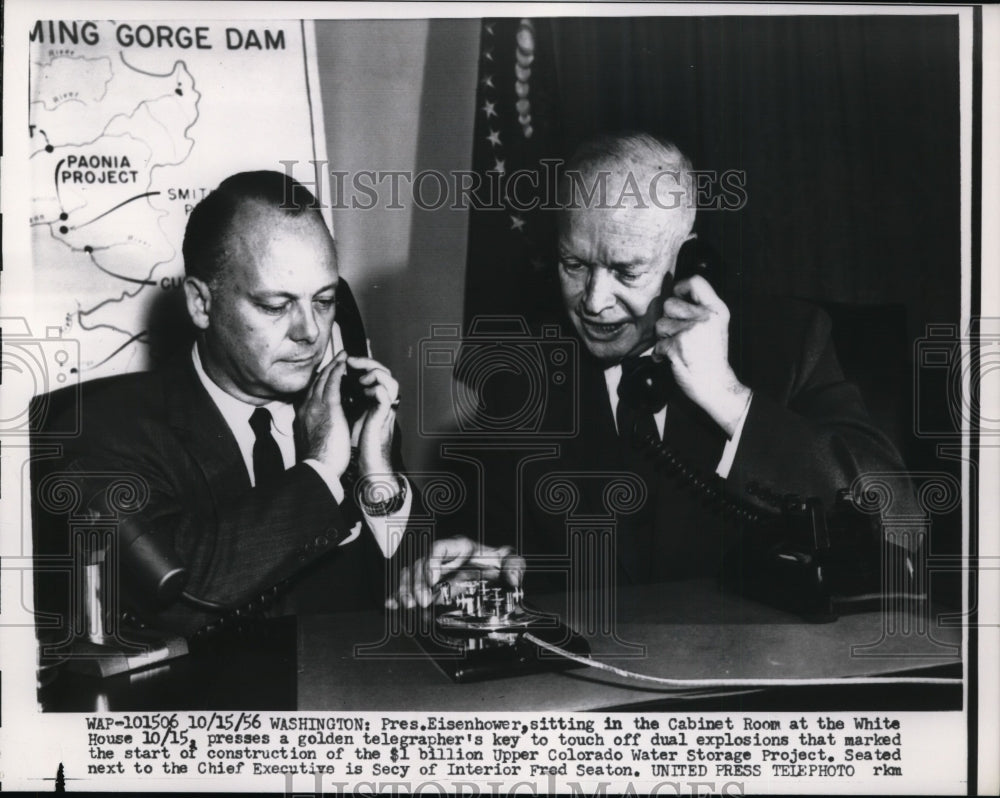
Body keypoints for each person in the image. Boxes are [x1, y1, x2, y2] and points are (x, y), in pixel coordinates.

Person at [396, 132, 909, 607]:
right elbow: (509, 562)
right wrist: (489, 570)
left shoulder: (788, 343)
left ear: (688, 260)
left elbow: (902, 518)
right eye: (574, 265)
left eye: (626, 270)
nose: (594, 302)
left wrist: (730, 400)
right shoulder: (521, 382)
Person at [35, 171, 413, 636]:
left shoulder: (349, 412)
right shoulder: (104, 428)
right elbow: (181, 596)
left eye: (325, 300)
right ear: (201, 303)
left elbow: (390, 599)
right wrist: (319, 469)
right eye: (276, 305)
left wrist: (377, 482)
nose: (310, 332)